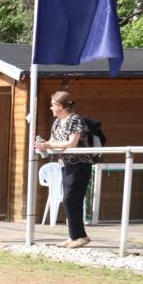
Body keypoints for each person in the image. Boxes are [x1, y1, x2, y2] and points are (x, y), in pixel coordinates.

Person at [36, 91, 93, 249]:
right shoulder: (57, 122)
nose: (50, 107)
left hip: (80, 165)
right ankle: (76, 236)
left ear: (60, 106)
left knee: (70, 199)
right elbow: (53, 141)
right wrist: (44, 144)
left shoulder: (75, 120)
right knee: (70, 200)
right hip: (66, 165)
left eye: (53, 104)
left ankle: (79, 236)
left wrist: (49, 145)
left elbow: (71, 143)